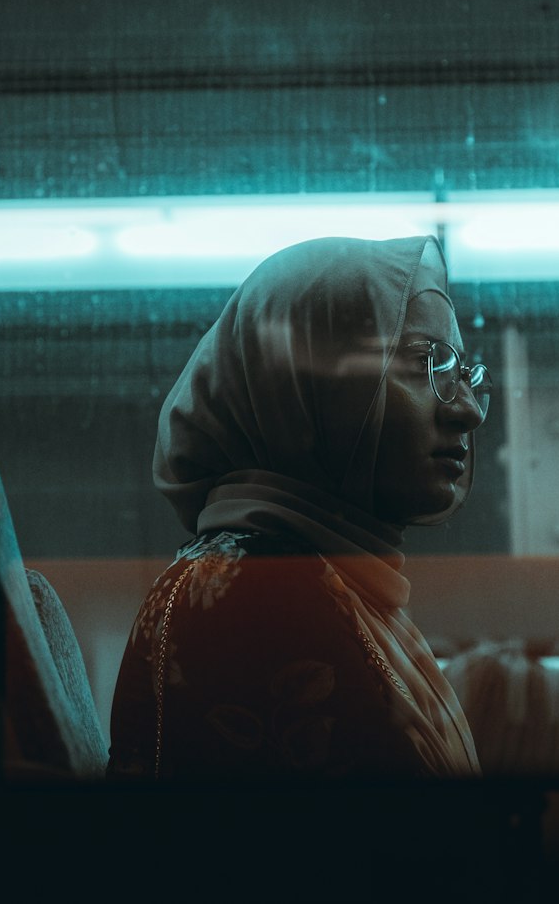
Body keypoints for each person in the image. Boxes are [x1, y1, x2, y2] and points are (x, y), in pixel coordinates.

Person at [107, 234, 490, 780]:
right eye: (426, 363)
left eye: (466, 376)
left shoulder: (330, 584)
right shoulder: (257, 590)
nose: (469, 411)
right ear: (310, 383)